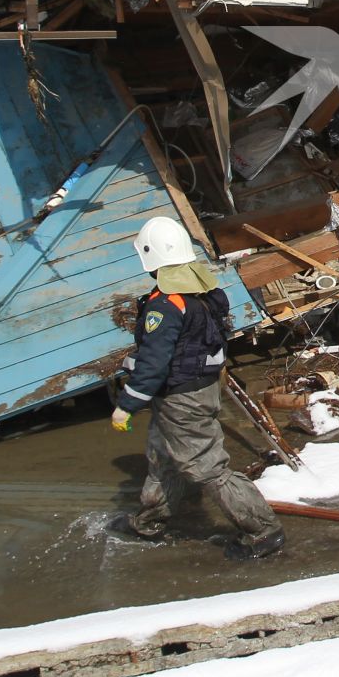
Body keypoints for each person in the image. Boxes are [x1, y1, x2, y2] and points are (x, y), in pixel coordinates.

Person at [109, 216, 285, 561]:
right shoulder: (205, 293)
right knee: (163, 457)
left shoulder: (165, 306)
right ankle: (149, 522)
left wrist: (127, 404)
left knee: (207, 467)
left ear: (150, 260)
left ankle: (264, 530)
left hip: (182, 397)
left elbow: (154, 362)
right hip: (196, 388)